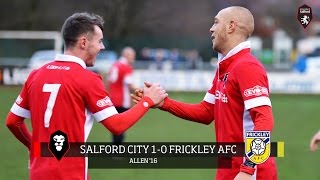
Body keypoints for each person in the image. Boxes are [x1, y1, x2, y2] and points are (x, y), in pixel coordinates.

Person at [5, 12, 167, 180]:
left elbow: (12, 121)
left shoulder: (35, 75)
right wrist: (148, 101)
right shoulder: (88, 79)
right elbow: (117, 125)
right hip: (70, 174)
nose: (102, 47)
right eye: (99, 41)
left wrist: (34, 147)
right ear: (84, 42)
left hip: (38, 173)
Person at [132, 6, 277, 180]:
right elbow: (206, 112)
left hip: (249, 172)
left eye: (216, 22)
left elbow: (264, 119)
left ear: (231, 26)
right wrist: (164, 103)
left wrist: (248, 168)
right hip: (229, 167)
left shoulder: (246, 66)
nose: (211, 28)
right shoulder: (225, 67)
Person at [106, 46, 136, 145]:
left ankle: (115, 148)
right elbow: (129, 85)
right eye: (132, 56)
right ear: (126, 55)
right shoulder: (126, 67)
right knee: (121, 127)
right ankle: (118, 149)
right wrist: (143, 92)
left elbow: (108, 82)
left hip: (112, 100)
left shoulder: (114, 65)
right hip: (122, 101)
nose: (133, 58)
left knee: (115, 127)